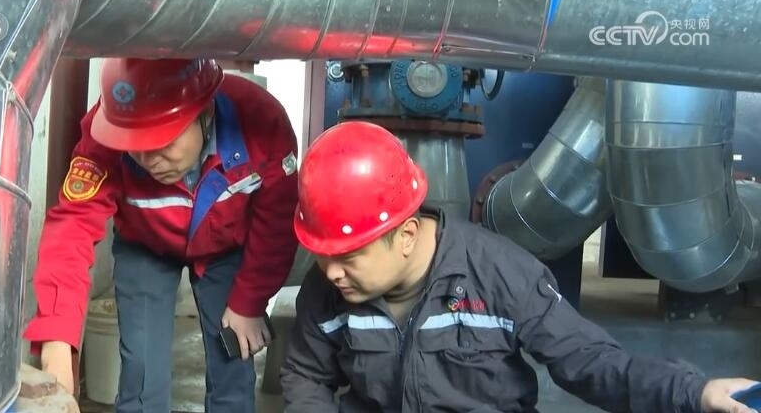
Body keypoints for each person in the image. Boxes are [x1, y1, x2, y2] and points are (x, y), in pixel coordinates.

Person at [279, 121, 759, 413]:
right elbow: (306, 375)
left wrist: (693, 393)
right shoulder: (327, 291)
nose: (331, 272)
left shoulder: (500, 274)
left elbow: (592, 362)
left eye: (348, 257)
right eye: (323, 254)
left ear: (404, 236)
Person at [24, 58, 300, 413]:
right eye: (133, 143)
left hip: (226, 251)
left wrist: (250, 300)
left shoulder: (262, 122)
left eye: (161, 140)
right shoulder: (107, 128)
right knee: (141, 370)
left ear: (205, 110)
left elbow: (277, 222)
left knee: (233, 360)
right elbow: (72, 226)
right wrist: (57, 340)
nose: (148, 158)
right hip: (145, 247)